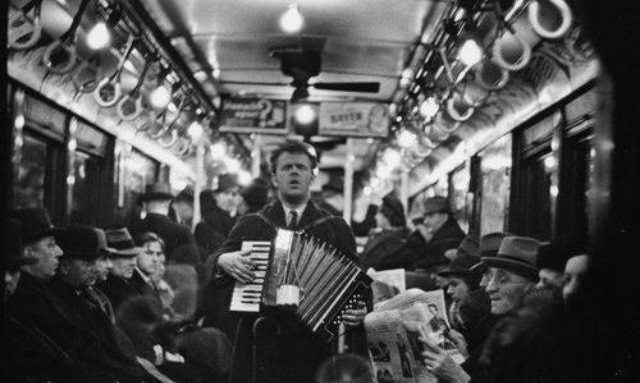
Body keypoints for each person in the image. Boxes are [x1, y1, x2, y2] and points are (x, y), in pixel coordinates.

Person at [210, 141, 369, 383]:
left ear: (312, 176)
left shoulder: (335, 228)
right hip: (260, 341)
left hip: (314, 346)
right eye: (286, 167)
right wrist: (223, 260)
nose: (294, 172)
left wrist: (360, 308)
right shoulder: (252, 224)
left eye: (301, 167)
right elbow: (214, 264)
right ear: (274, 177)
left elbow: (358, 286)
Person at [420, 236, 547, 383]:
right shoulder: (505, 328)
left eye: (503, 280)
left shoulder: (537, 339)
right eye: (491, 277)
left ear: (533, 287)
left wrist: (458, 377)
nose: (489, 288)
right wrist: (465, 358)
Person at [128, 182, 201, 266]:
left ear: (144, 204)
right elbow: (195, 269)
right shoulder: (183, 232)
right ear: (168, 203)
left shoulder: (131, 229)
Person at [194, 173, 240, 259]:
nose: (230, 198)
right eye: (226, 193)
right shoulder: (204, 227)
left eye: (234, 194)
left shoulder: (239, 222)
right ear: (215, 196)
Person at [360, 194, 410, 270]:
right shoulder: (386, 236)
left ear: (387, 216)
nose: (375, 217)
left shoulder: (394, 242)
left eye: (378, 212)